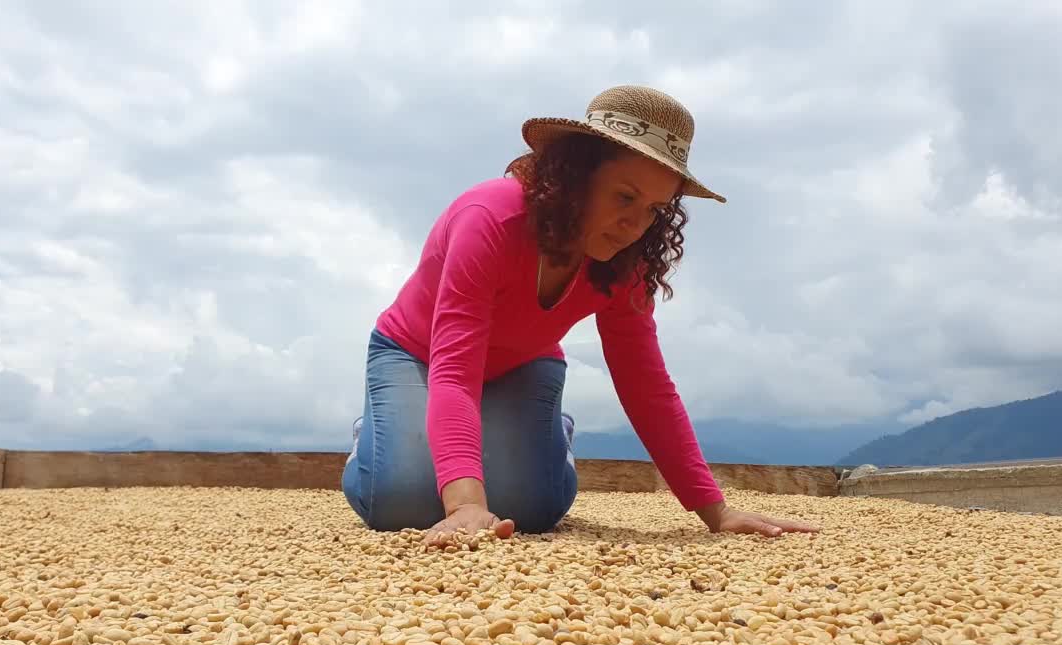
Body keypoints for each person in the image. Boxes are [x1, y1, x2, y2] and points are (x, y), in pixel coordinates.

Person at [341, 85, 820, 546]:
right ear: (575, 177)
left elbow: (645, 382)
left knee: (536, 508)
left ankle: (552, 434)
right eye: (624, 197)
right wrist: (465, 505)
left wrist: (715, 510)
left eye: (655, 209)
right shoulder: (489, 218)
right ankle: (379, 433)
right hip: (417, 352)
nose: (635, 225)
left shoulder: (626, 264)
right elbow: (454, 366)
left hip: (524, 363)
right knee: (397, 502)